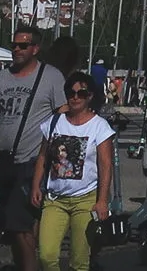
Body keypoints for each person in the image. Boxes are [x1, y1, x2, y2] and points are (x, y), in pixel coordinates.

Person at [0, 26, 66, 271]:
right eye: (14, 45)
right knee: (15, 225)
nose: (16, 49)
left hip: (33, 161)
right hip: (4, 161)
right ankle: (27, 264)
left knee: (18, 224)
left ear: (35, 49)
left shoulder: (51, 77)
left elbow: (63, 115)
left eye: (23, 45)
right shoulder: (0, 79)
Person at [30, 76, 115, 271]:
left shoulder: (99, 126)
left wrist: (102, 200)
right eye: (71, 93)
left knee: (79, 261)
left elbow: (105, 165)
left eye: (81, 93)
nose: (75, 98)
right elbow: (42, 157)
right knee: (46, 255)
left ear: (90, 96)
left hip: (85, 200)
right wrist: (36, 185)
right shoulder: (54, 122)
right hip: (55, 199)